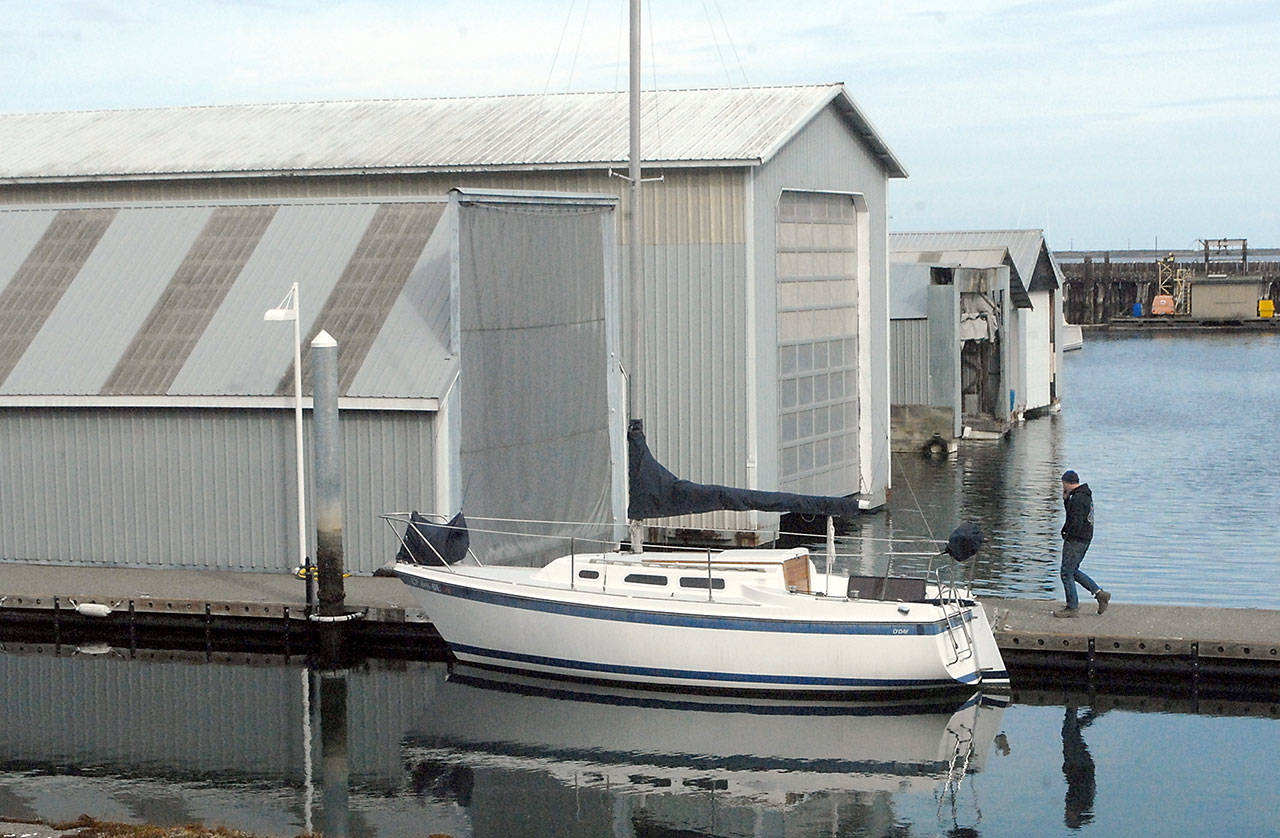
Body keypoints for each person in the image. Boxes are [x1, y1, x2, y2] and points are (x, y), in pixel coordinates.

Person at [1054, 470, 1110, 618]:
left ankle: (1072, 607)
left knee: (1066, 572)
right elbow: (1072, 515)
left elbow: (1075, 521)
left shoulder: (1078, 499)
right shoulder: (1083, 495)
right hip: (1085, 538)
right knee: (1072, 571)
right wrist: (1066, 500)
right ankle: (1099, 594)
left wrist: (1068, 535)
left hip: (1076, 539)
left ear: (1066, 482)